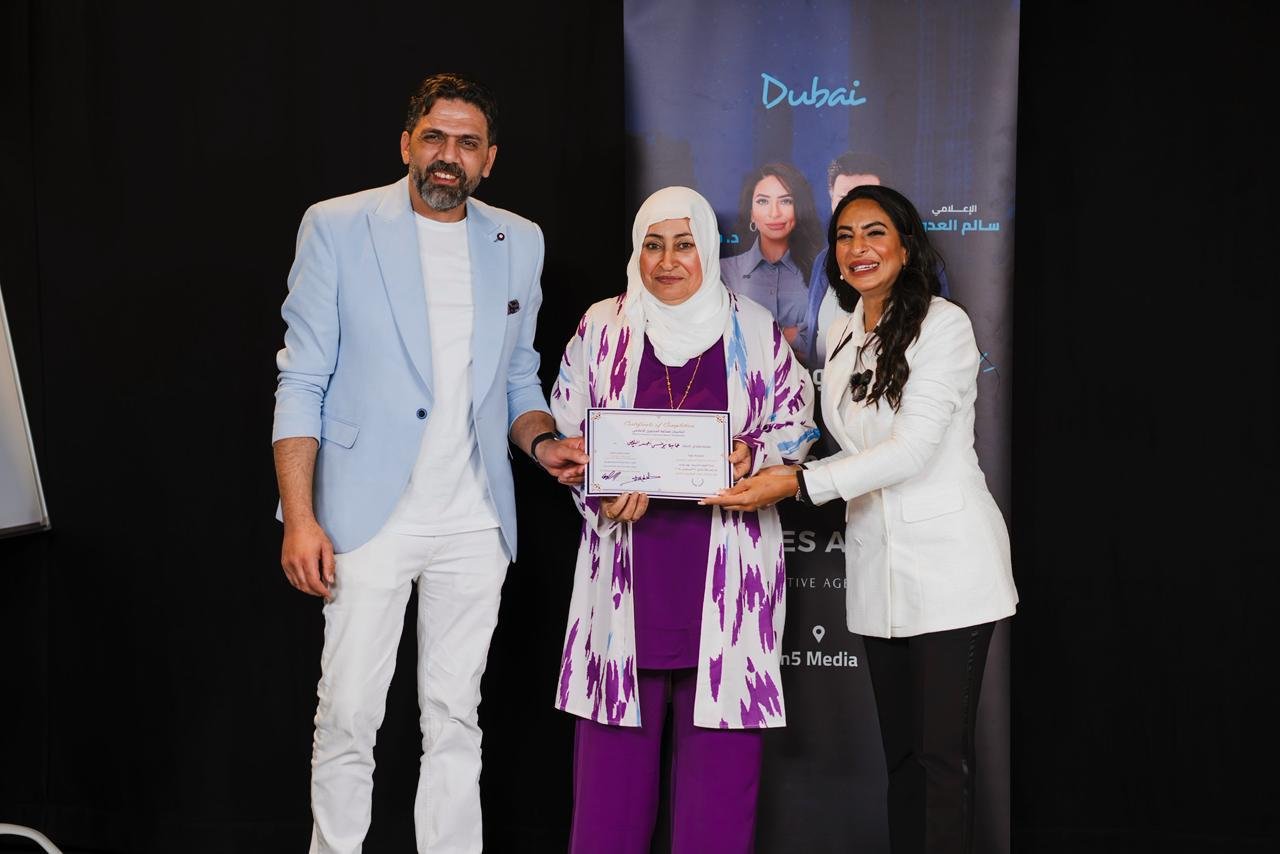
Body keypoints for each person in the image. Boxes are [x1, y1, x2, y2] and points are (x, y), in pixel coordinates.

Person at [271, 72, 587, 854]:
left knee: (455, 717)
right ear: (407, 143)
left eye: (468, 143)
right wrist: (300, 517)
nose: (450, 155)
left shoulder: (520, 240)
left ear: (490, 158)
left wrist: (544, 442)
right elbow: (302, 378)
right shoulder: (337, 225)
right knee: (349, 712)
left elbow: (518, 377)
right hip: (364, 516)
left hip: (474, 519)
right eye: (436, 137)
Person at [704, 185, 1018, 854]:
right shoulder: (844, 330)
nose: (858, 248)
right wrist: (760, 456)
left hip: (951, 569)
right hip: (878, 570)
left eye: (875, 233)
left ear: (905, 246)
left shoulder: (943, 326)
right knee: (901, 759)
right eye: (845, 236)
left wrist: (797, 482)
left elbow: (910, 450)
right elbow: (837, 441)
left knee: (941, 761)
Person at [551, 186, 818, 853]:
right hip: (626, 580)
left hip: (727, 582)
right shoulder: (602, 327)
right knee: (609, 799)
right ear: (636, 251)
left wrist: (755, 452)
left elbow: (797, 421)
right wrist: (602, 489)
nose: (667, 261)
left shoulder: (753, 327)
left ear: (707, 250)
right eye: (653, 245)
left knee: (719, 802)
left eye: (684, 245)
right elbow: (567, 432)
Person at [794, 151, 888, 367]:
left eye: (867, 199)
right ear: (831, 200)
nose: (854, 209)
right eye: (844, 198)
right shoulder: (823, 261)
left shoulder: (914, 262)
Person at [719, 163, 824, 347]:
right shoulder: (724, 271)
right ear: (751, 213)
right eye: (763, 201)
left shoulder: (820, 271)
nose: (774, 213)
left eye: (785, 201)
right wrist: (790, 335)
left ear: (798, 209)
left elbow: (826, 339)